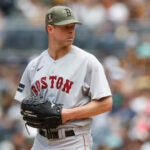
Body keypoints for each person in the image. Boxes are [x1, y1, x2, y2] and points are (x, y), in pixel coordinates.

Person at [14, 5, 112, 150]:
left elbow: (106, 103)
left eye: (72, 26)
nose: (71, 30)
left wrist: (66, 114)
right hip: (41, 141)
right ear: (50, 29)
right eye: (65, 26)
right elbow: (24, 103)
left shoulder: (87, 61)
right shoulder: (35, 65)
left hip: (73, 140)